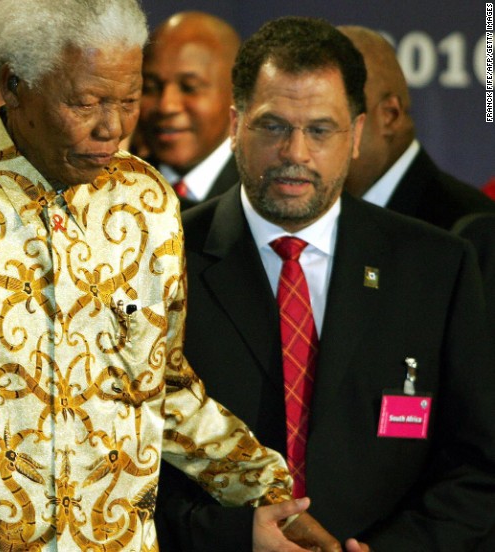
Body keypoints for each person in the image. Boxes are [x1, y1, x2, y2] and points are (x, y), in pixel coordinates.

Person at [0, 1, 341, 550]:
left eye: (128, 98)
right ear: (14, 84)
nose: (112, 127)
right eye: (87, 101)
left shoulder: (145, 202)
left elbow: (160, 387)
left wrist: (268, 490)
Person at [156, 17, 495, 551]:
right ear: (234, 123)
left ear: (356, 134)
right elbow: (120, 468)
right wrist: (236, 537)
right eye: (272, 126)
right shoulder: (160, 259)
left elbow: (477, 472)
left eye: (319, 129)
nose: (295, 153)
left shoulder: (437, 268)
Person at [338, 25, 495, 229]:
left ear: (389, 116)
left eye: (325, 123)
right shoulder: (309, 221)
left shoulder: (471, 228)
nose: (301, 148)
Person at [138, 11, 241, 210]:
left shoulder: (259, 193)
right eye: (150, 87)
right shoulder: (115, 189)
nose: (166, 106)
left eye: (189, 87)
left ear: (236, 93)